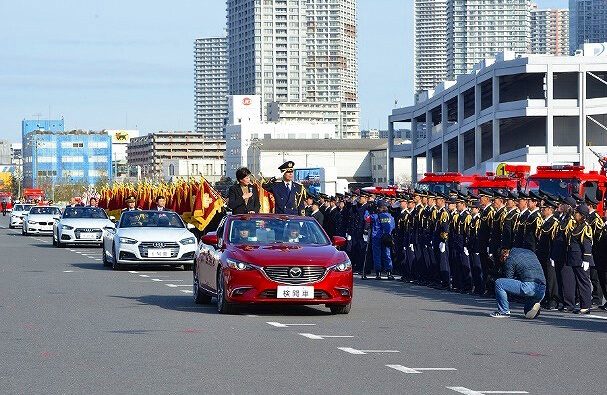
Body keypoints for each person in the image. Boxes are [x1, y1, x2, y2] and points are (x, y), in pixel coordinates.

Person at [490, 248, 546, 319]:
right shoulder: (530, 252)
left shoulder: (510, 259)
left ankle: (503, 311)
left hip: (528, 287)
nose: (503, 262)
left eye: (502, 260)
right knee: (528, 312)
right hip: (542, 288)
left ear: (504, 255)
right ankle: (534, 306)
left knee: (499, 283)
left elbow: (508, 280)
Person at [563, 204, 594, 314]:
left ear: (582, 215)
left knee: (584, 282)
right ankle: (582, 305)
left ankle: (586, 306)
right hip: (575, 259)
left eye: (577, 213)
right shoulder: (577, 226)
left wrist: (586, 259)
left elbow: (587, 244)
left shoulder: (585, 227)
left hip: (581, 259)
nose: (575, 214)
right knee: (579, 282)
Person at [536, 198, 559, 310]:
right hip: (542, 254)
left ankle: (553, 299)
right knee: (544, 277)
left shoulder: (554, 223)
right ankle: (546, 298)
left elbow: (554, 241)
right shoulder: (545, 222)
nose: (542, 210)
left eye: (544, 208)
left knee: (551, 278)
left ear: (550, 210)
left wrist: (553, 256)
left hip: (549, 255)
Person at [368, 200, 395, 280]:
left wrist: (369, 210)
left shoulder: (375, 216)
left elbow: (366, 219)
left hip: (377, 238)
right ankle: (389, 272)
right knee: (387, 255)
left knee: (377, 255)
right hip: (387, 238)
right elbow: (393, 227)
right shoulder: (390, 217)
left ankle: (378, 273)